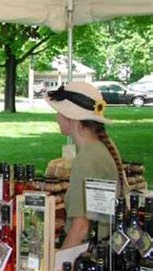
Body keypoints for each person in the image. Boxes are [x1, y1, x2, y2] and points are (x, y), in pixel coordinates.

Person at [45, 82, 127, 249]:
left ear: (73, 118)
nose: (57, 118)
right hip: (101, 247)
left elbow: (80, 228)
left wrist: (55, 268)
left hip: (86, 251)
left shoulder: (86, 159)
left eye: (59, 113)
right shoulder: (99, 147)